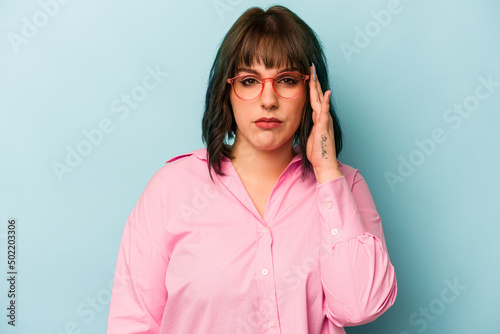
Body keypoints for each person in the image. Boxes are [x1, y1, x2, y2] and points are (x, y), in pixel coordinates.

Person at [107, 5, 397, 334]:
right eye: (249, 81)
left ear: (312, 92)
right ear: (227, 91)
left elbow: (360, 307)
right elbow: (134, 323)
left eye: (287, 80)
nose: (268, 99)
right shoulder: (170, 190)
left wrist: (327, 169)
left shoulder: (345, 185)